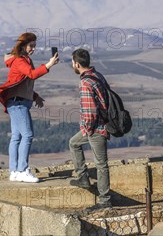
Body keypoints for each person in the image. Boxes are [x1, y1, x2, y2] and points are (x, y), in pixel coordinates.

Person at [0, 33, 59, 182]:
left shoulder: (23, 60)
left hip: (18, 102)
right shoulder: (19, 61)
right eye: (31, 46)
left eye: (34, 46)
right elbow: (32, 74)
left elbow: (22, 82)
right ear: (23, 46)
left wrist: (34, 96)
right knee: (27, 135)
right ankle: (22, 170)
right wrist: (49, 64)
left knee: (17, 137)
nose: (33, 49)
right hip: (18, 104)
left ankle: (14, 171)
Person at [68, 48, 112, 210]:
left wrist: (88, 129)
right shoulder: (97, 75)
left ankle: (104, 200)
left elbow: (90, 111)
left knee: (101, 164)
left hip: (96, 128)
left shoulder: (85, 82)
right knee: (74, 143)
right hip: (100, 124)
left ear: (77, 64)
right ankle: (83, 178)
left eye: (73, 62)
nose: (72, 65)